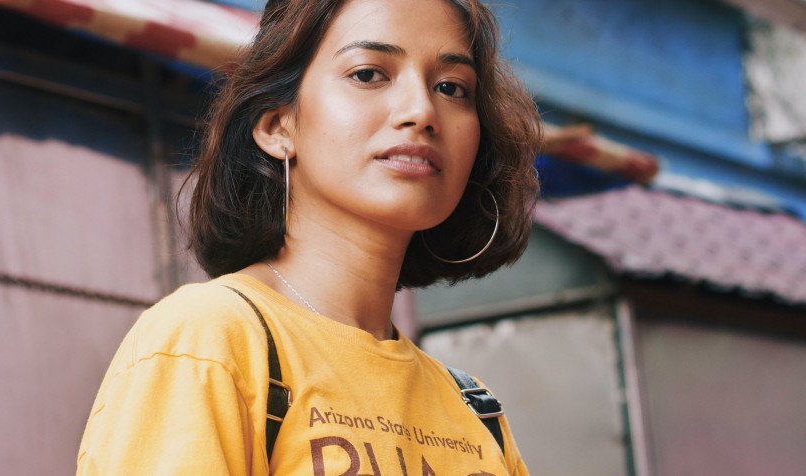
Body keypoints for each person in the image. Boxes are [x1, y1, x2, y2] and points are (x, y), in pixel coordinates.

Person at [76, 0, 541, 473]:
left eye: (451, 87)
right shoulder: (210, 340)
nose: (422, 110)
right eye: (368, 74)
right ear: (279, 126)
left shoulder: (474, 410)